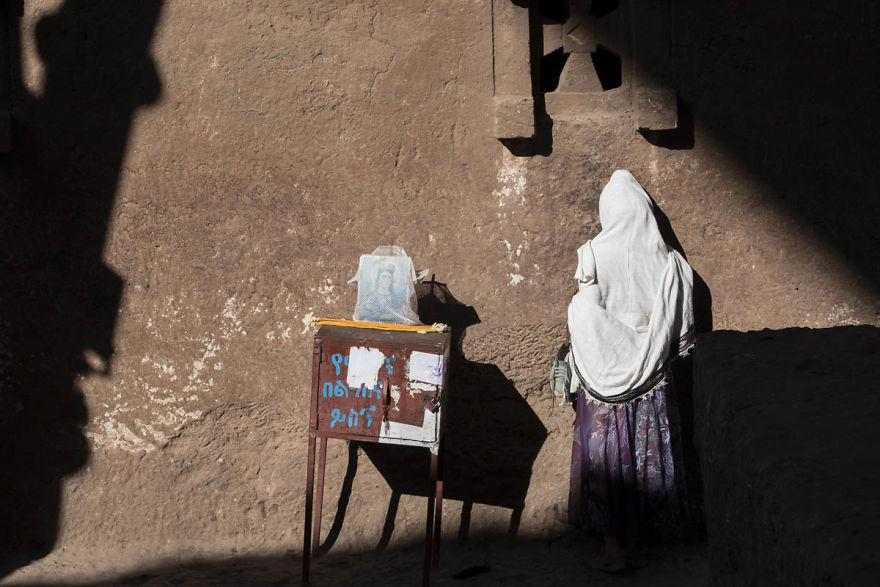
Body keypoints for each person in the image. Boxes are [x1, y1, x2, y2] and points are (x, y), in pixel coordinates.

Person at [566, 170, 694, 571]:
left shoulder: (592, 254)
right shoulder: (669, 261)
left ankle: (613, 549)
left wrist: (598, 346)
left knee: (606, 459)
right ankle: (653, 542)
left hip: (603, 372)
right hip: (652, 375)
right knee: (649, 453)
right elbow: (680, 327)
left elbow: (586, 312)